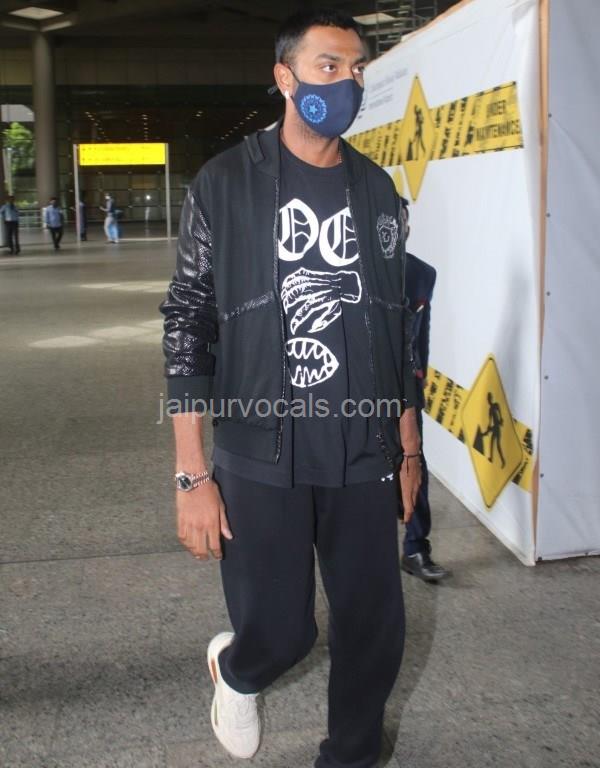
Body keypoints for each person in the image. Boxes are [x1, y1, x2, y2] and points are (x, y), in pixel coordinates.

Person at [158, 9, 422, 768]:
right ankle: (238, 670)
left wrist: (408, 451)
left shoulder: (378, 191)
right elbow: (188, 323)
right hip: (260, 450)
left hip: (363, 450)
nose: (347, 83)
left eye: (357, 69)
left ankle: (351, 756)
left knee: (374, 630)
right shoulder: (226, 183)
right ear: (284, 76)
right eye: (328, 67)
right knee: (282, 631)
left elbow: (398, 328)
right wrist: (191, 475)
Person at [397, 197, 451, 583]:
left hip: (406, 388)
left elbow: (421, 333)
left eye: (399, 222)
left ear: (407, 229)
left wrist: (420, 378)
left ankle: (416, 548)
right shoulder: (352, 269)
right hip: (357, 390)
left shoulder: (421, 274)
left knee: (415, 463)